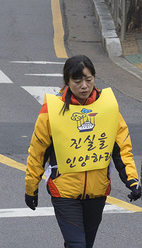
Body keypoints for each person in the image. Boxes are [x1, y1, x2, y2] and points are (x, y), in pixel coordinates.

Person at [25, 55, 140, 247]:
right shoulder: (52, 110)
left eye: (89, 79)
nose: (84, 86)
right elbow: (38, 152)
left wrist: (132, 180)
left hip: (97, 192)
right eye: (77, 81)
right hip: (64, 193)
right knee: (77, 244)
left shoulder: (108, 107)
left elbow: (121, 148)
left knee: (85, 244)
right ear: (67, 81)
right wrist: (31, 187)